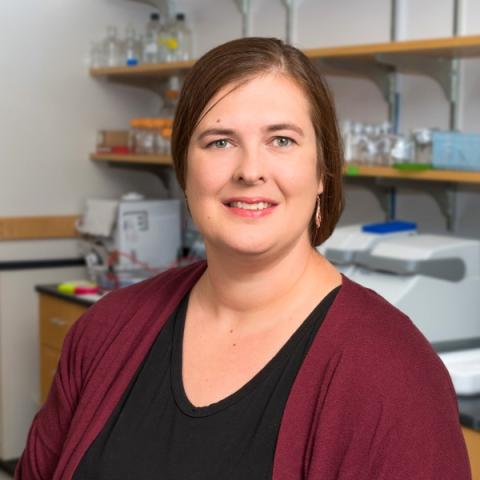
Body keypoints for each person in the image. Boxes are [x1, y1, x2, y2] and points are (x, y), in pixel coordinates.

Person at [17, 37, 470, 480]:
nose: (250, 170)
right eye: (219, 141)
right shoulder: (104, 332)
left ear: (322, 173)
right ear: (185, 171)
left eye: (282, 140)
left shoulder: (393, 374)